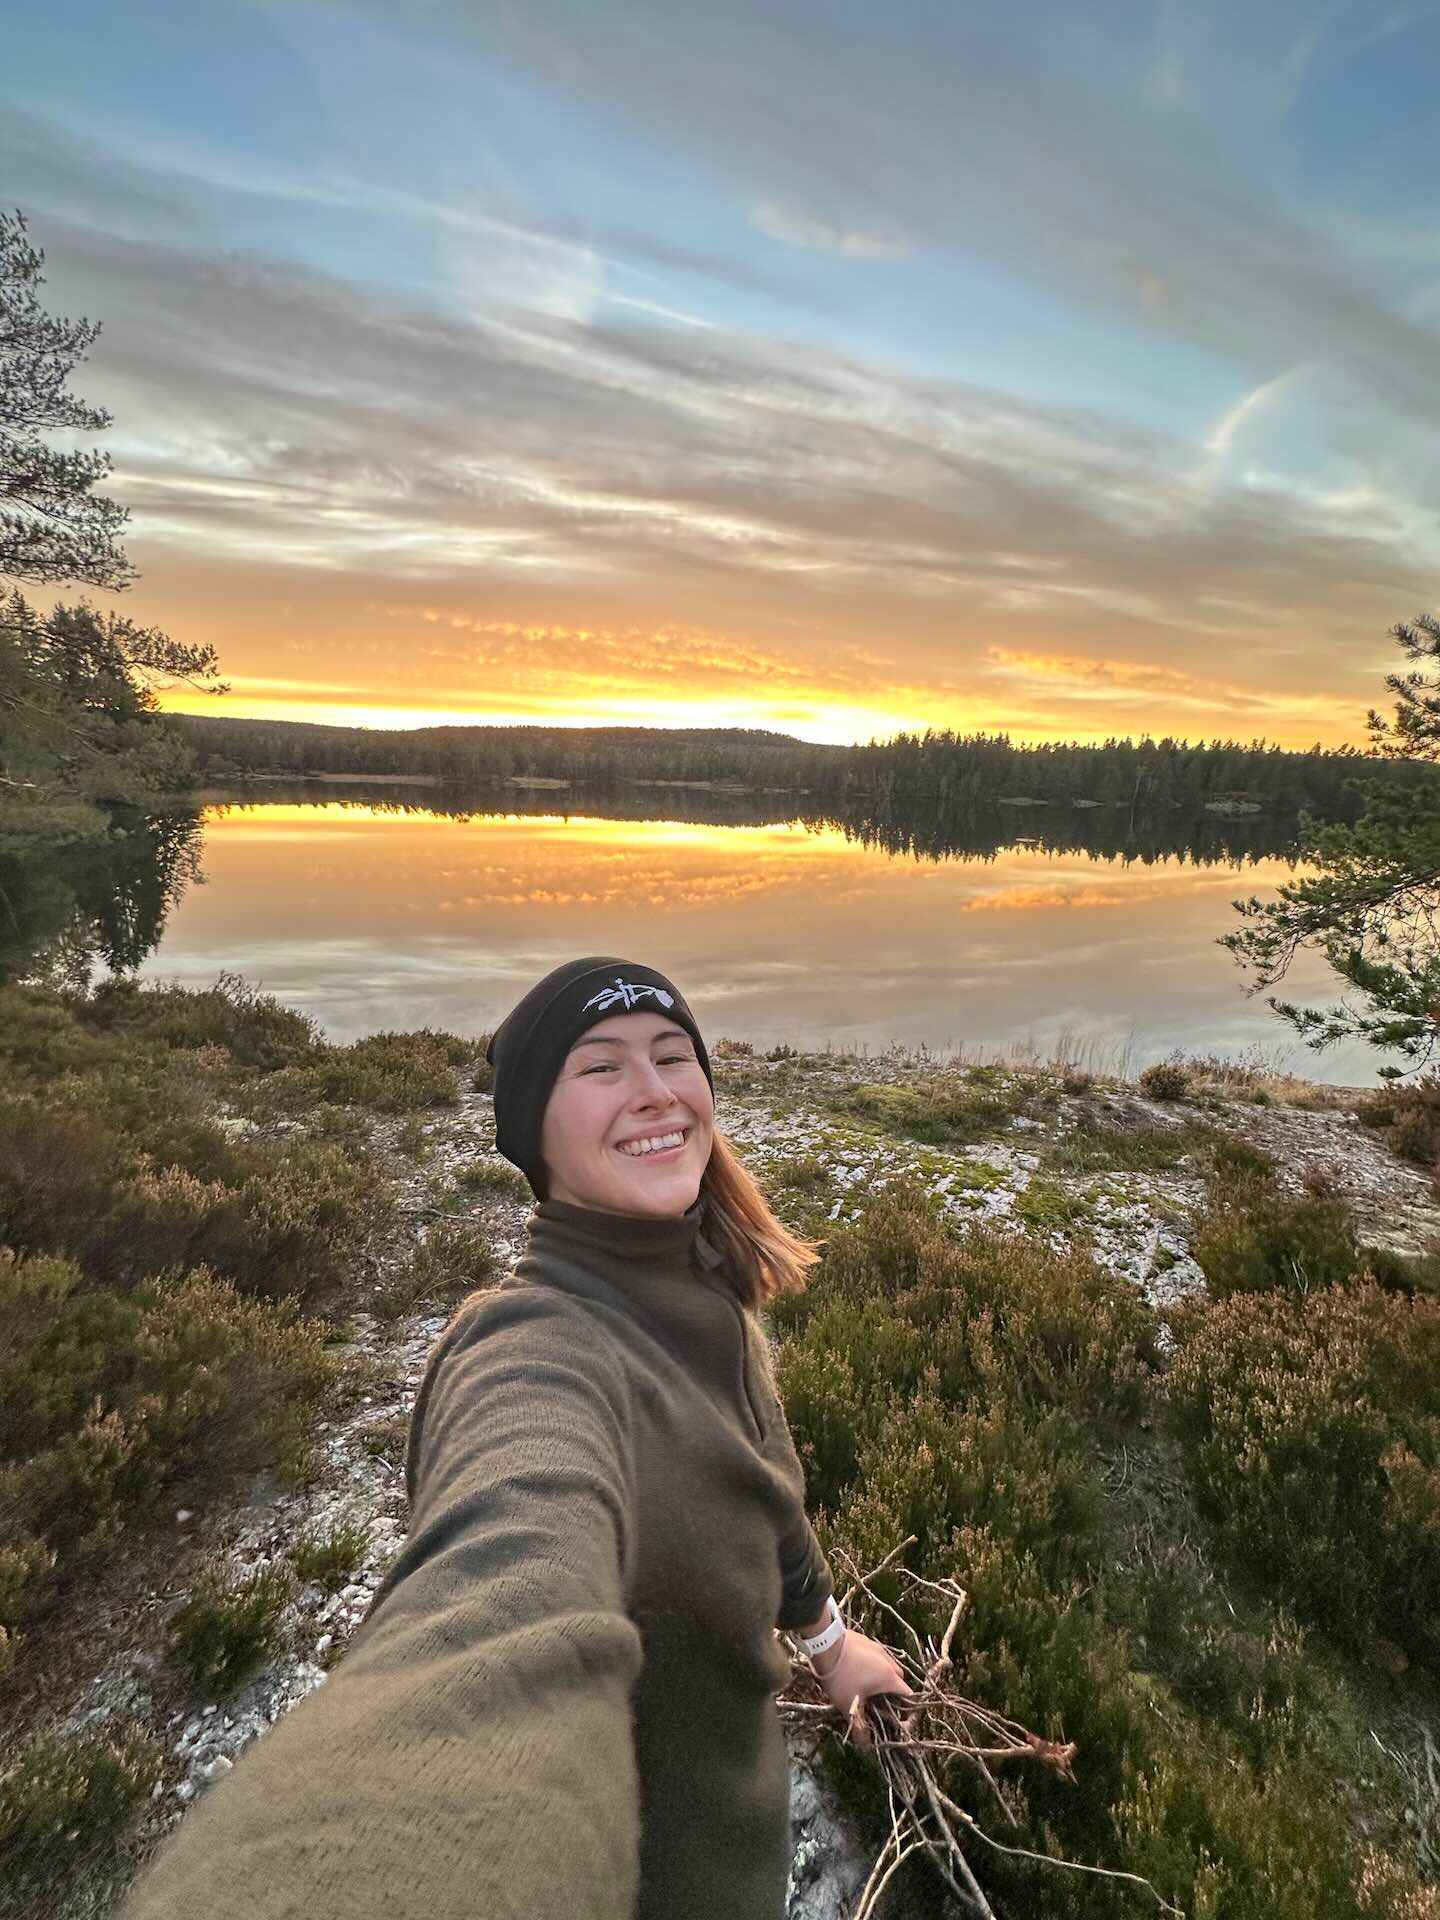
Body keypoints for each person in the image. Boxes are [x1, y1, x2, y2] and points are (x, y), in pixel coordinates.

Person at [118, 955, 913, 1920]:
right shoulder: (526, 1349)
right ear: (534, 1126)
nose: (656, 1092)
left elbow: (765, 1493)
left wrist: (830, 1645)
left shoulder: (711, 1287)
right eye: (601, 1067)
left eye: (673, 1056)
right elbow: (503, 1608)